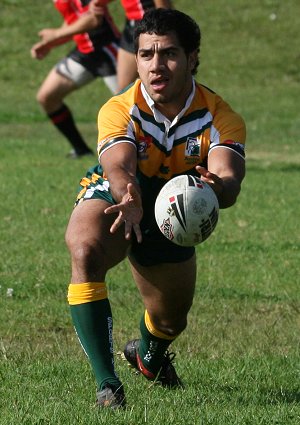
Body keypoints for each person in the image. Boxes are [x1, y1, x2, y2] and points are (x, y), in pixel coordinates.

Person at [65, 8, 246, 409]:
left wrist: (218, 188)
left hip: (178, 208)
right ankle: (107, 385)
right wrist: (128, 194)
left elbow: (228, 179)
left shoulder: (220, 116)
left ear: (193, 57)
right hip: (123, 192)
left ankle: (148, 359)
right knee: (85, 247)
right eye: (146, 55)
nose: (156, 65)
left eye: (169, 54)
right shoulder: (119, 107)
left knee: (169, 320)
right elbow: (119, 164)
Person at [31, 0, 120, 158]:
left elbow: (94, 19)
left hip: (107, 50)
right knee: (47, 96)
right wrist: (50, 43)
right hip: (84, 53)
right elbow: (73, 19)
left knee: (134, 107)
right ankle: (81, 150)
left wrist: (56, 35)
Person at [90, 0, 173, 90]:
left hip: (150, 22)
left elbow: (164, 7)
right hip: (132, 23)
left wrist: (165, 22)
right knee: (124, 90)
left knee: (164, 81)